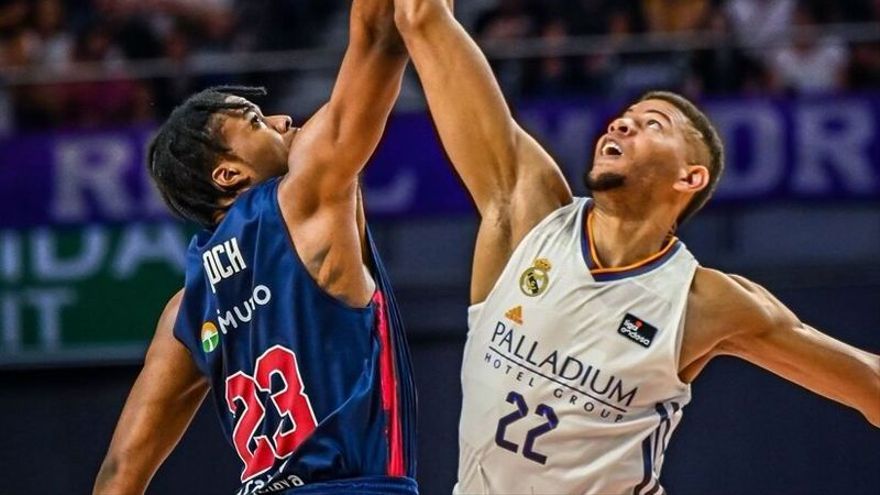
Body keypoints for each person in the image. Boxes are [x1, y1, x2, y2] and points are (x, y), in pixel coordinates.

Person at [391, 1, 880, 493]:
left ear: (690, 177)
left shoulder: (704, 302)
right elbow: (423, 19)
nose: (622, 125)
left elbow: (870, 385)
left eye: (653, 124)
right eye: (624, 117)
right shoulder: (526, 210)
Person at [93, 1, 418, 494]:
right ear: (229, 175)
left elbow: (119, 475)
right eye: (256, 122)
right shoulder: (305, 201)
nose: (283, 119)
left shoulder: (186, 308)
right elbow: (380, 38)